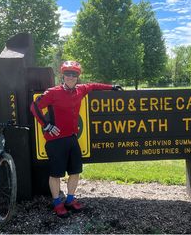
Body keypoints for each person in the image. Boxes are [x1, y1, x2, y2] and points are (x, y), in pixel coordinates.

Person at [30, 61, 123, 218]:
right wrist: (46, 125)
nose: (71, 77)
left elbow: (93, 85)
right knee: (56, 174)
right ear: (63, 76)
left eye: (74, 74)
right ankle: (57, 203)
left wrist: (111, 87)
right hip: (55, 140)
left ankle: (70, 200)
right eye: (68, 74)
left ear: (78, 77)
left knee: (75, 171)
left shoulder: (80, 90)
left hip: (72, 138)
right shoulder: (53, 92)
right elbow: (34, 107)